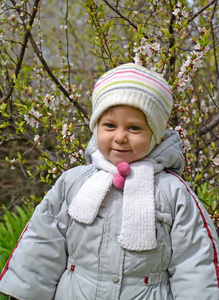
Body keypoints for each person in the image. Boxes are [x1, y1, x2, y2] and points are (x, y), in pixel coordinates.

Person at [0, 63, 218, 300]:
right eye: (110, 125)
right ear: (96, 128)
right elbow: (43, 239)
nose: (120, 137)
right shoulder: (74, 182)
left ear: (155, 135)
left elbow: (195, 258)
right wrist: (24, 292)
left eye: (134, 128)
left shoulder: (172, 192)